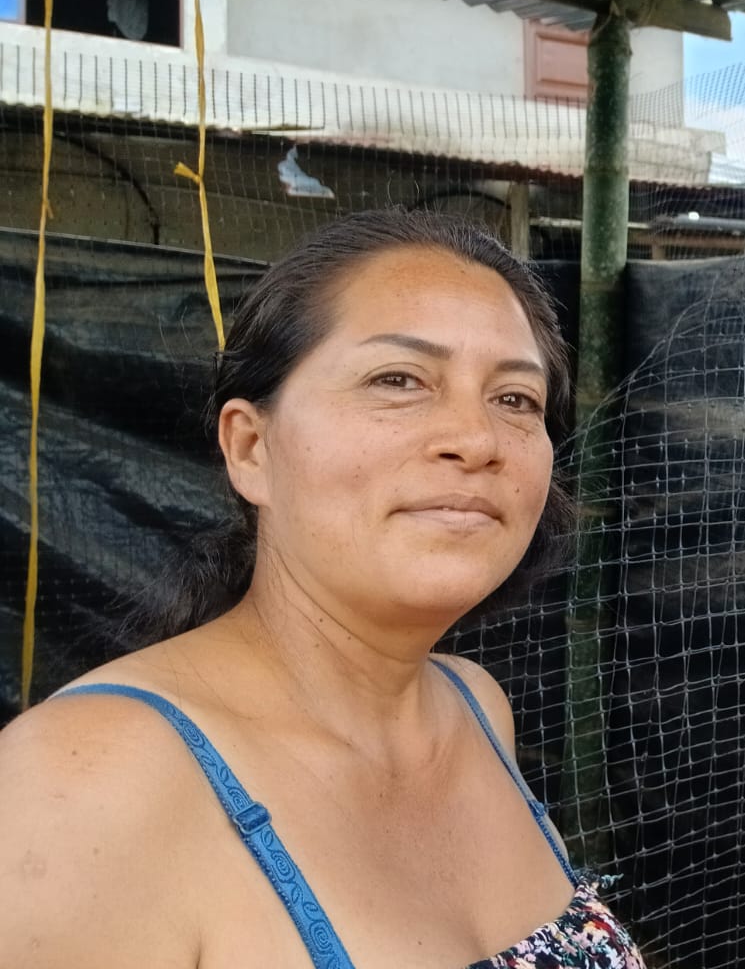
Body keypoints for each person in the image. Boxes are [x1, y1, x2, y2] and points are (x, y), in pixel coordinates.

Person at [0, 210, 645, 969]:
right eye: (398, 380)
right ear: (251, 447)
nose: (477, 441)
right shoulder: (82, 780)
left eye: (515, 399)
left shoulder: (474, 708)